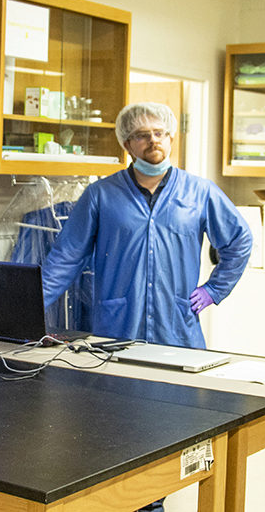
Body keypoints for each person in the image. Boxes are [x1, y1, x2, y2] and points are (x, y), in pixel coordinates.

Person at [42, 102, 253, 348]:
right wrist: (27, 308)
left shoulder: (200, 192)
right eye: (142, 135)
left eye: (159, 132)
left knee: (181, 386)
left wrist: (214, 289)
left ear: (171, 137)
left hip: (177, 329)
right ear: (127, 144)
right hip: (117, 329)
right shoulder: (101, 195)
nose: (153, 140)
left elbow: (240, 240)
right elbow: (65, 258)